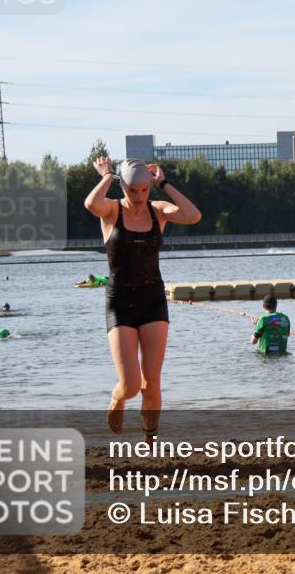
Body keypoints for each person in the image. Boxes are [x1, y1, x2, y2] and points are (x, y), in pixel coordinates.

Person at [84, 157, 201, 443]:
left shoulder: (158, 211)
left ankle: (151, 440)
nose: (138, 197)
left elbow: (192, 215)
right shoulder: (111, 210)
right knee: (133, 384)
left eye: (144, 190)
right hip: (120, 302)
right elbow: (90, 203)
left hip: (153, 300)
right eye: (132, 191)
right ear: (122, 186)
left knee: (152, 383)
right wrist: (107, 175)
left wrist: (164, 183)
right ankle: (117, 397)